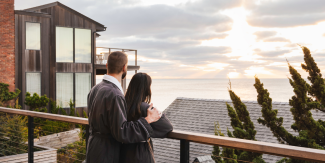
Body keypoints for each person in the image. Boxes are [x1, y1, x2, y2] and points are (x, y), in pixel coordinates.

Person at [86, 51, 161, 163]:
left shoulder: (95, 89)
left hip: (93, 147)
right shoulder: (115, 94)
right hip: (107, 152)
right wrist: (148, 120)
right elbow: (122, 132)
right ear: (124, 68)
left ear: (107, 65)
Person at [120, 73, 173, 163]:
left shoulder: (122, 105)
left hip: (123, 152)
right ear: (146, 89)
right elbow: (167, 127)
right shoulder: (145, 108)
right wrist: (157, 112)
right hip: (140, 154)